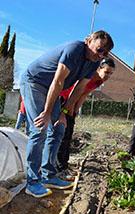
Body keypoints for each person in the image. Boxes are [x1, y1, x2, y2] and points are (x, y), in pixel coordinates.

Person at [20, 30, 114, 198]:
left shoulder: (93, 63)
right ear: (89, 41)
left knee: (58, 129)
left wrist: (64, 112)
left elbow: (80, 89)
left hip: (53, 90)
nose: (101, 55)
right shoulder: (74, 49)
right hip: (35, 82)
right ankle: (32, 182)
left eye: (105, 53)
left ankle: (48, 175)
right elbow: (58, 81)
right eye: (99, 49)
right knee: (40, 128)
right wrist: (47, 112)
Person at [56, 58, 116, 180]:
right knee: (63, 135)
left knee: (69, 136)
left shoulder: (99, 81)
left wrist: (76, 111)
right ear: (99, 69)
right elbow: (75, 92)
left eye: (111, 73)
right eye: (107, 72)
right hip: (63, 100)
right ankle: (58, 168)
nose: (108, 76)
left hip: (71, 103)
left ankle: (64, 165)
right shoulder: (90, 75)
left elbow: (84, 95)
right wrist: (70, 110)